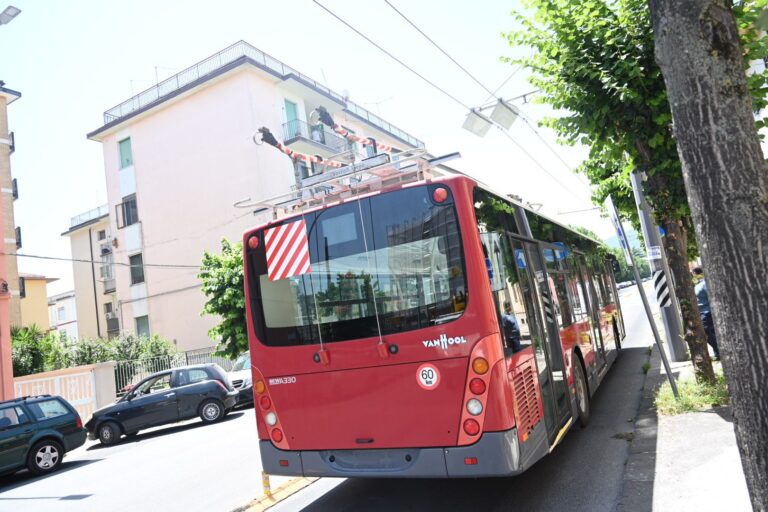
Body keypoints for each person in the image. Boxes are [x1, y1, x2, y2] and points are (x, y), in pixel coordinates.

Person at [693, 267, 720, 360]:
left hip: (707, 312)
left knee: (707, 332)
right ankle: (718, 351)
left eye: (694, 275)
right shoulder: (698, 285)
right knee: (709, 332)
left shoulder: (704, 284)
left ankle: (718, 350)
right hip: (703, 312)